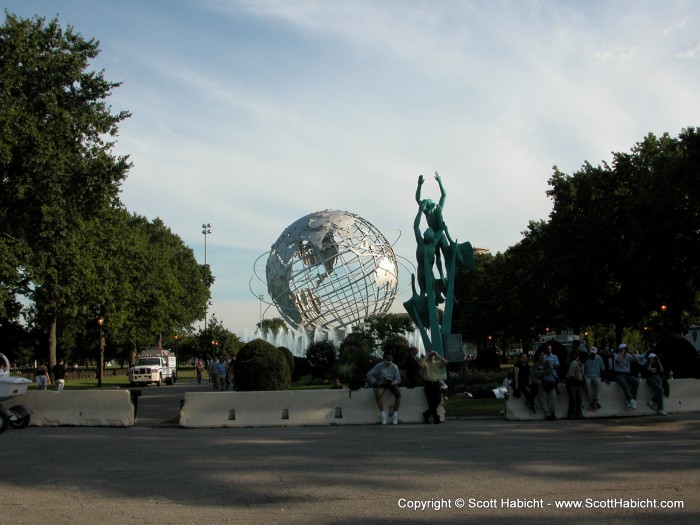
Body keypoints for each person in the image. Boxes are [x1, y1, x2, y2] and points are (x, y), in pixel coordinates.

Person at [366, 354, 402, 425]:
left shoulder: (394, 366)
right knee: (378, 395)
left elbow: (398, 379)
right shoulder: (379, 365)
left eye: (390, 363)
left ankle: (395, 414)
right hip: (382, 383)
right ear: (384, 360)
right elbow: (369, 374)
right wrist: (375, 382)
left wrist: (393, 382)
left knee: (398, 394)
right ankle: (382, 414)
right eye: (387, 363)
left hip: (392, 383)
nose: (388, 364)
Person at [419, 350, 447, 424]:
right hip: (428, 383)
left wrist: (437, 355)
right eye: (431, 355)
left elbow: (445, 362)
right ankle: (436, 419)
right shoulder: (426, 363)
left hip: (436, 383)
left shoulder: (438, 363)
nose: (432, 356)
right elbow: (420, 364)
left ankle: (427, 414)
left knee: (437, 400)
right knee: (430, 402)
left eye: (432, 355)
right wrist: (427, 356)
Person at [532, 349, 557, 420]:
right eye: (540, 355)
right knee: (542, 398)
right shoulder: (536, 364)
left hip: (549, 382)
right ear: (538, 356)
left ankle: (552, 412)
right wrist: (544, 373)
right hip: (540, 382)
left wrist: (542, 373)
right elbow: (536, 374)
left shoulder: (548, 362)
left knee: (553, 396)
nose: (542, 356)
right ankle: (547, 414)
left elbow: (551, 370)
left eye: (543, 355)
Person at [614, 343, 639, 408]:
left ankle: (632, 399)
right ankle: (630, 399)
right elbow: (618, 361)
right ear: (620, 349)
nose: (625, 350)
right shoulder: (616, 355)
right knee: (623, 383)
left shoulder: (628, 356)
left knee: (636, 382)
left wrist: (631, 353)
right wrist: (622, 352)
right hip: (619, 374)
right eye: (623, 348)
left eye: (625, 348)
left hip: (627, 374)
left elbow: (637, 360)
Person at [565, 348, 586, 419]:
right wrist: (579, 380)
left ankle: (578, 413)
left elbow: (582, 374)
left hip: (577, 383)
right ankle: (571, 414)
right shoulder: (574, 363)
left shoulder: (582, 364)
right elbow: (571, 375)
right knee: (573, 398)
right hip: (571, 382)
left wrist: (582, 380)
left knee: (579, 399)